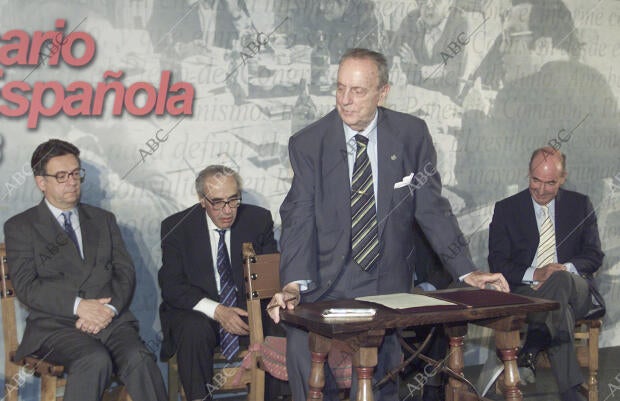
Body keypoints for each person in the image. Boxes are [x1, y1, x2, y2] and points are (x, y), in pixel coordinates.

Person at [267, 48, 508, 401]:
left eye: (358, 91)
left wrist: (467, 271)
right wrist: (292, 284)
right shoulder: (309, 144)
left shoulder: (411, 135)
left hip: (386, 284)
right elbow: (298, 216)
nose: (345, 101)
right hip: (325, 283)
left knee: (382, 375)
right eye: (339, 88)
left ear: (383, 92)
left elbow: (431, 208)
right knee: (302, 347)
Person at [3, 139, 167, 401]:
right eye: (61, 176)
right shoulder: (20, 227)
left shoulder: (103, 220)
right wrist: (79, 306)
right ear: (41, 182)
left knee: (140, 359)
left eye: (76, 173)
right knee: (94, 359)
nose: (72, 181)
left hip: (110, 322)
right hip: (55, 329)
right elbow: (27, 287)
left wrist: (108, 311)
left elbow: (125, 273)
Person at [458, 0, 619, 208]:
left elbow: (477, 183)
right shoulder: (597, 82)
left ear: (543, 46)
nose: (501, 49)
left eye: (509, 38)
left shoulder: (516, 93)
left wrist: (473, 114)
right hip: (587, 227)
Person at [488, 147, 605, 401]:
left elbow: (594, 255)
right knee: (558, 310)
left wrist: (565, 269)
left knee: (560, 279)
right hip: (526, 292)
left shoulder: (579, 204)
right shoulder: (507, 209)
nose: (541, 190)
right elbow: (497, 263)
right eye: (535, 181)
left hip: (577, 289)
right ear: (528, 175)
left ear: (563, 178)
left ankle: (531, 347)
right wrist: (537, 273)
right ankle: (570, 391)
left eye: (550, 183)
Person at [158, 165, 280, 401]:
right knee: (193, 330)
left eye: (233, 200)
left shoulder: (258, 220)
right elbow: (171, 286)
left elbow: (269, 279)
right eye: (217, 202)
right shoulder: (177, 228)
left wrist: (249, 313)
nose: (227, 211)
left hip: (246, 310)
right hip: (201, 312)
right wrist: (218, 311)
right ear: (202, 200)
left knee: (277, 327)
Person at [391, 0, 469, 99]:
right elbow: (393, 62)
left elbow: (451, 76)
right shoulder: (412, 18)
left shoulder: (460, 24)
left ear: (450, 2)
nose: (428, 4)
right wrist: (430, 72)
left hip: (445, 103)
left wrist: (416, 66)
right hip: (410, 97)